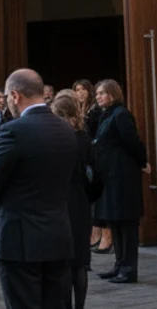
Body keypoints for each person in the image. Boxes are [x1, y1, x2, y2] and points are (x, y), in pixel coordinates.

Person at [0, 69, 77, 309]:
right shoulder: (66, 129)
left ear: (15, 95)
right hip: (58, 236)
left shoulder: (12, 131)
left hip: (19, 240)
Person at [92, 79, 149, 284]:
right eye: (97, 93)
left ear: (113, 95)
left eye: (102, 93)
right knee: (114, 222)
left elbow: (132, 141)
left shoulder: (121, 114)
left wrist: (143, 162)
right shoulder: (105, 115)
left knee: (126, 224)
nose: (97, 96)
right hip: (110, 178)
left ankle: (129, 269)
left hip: (123, 178)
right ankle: (118, 265)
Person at [51, 91, 101, 309]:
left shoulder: (53, 137)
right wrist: (88, 196)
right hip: (80, 201)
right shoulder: (83, 136)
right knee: (79, 263)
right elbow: (96, 173)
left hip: (58, 201)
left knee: (63, 263)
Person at [71, 79, 107, 253]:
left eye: (83, 89)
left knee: (95, 195)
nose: (80, 93)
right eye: (77, 90)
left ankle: (101, 233)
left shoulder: (95, 110)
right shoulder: (78, 110)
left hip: (93, 155)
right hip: (83, 156)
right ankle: (94, 232)